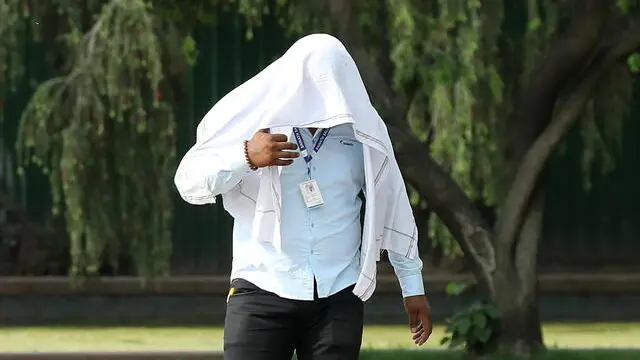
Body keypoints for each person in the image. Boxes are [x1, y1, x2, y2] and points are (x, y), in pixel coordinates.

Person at [174, 33, 432, 360]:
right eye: (312, 79)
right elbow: (189, 182)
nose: (320, 91)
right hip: (262, 284)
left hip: (338, 292)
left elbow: (393, 201)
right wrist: (247, 156)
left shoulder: (364, 132)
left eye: (330, 80)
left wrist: (413, 288)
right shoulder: (257, 123)